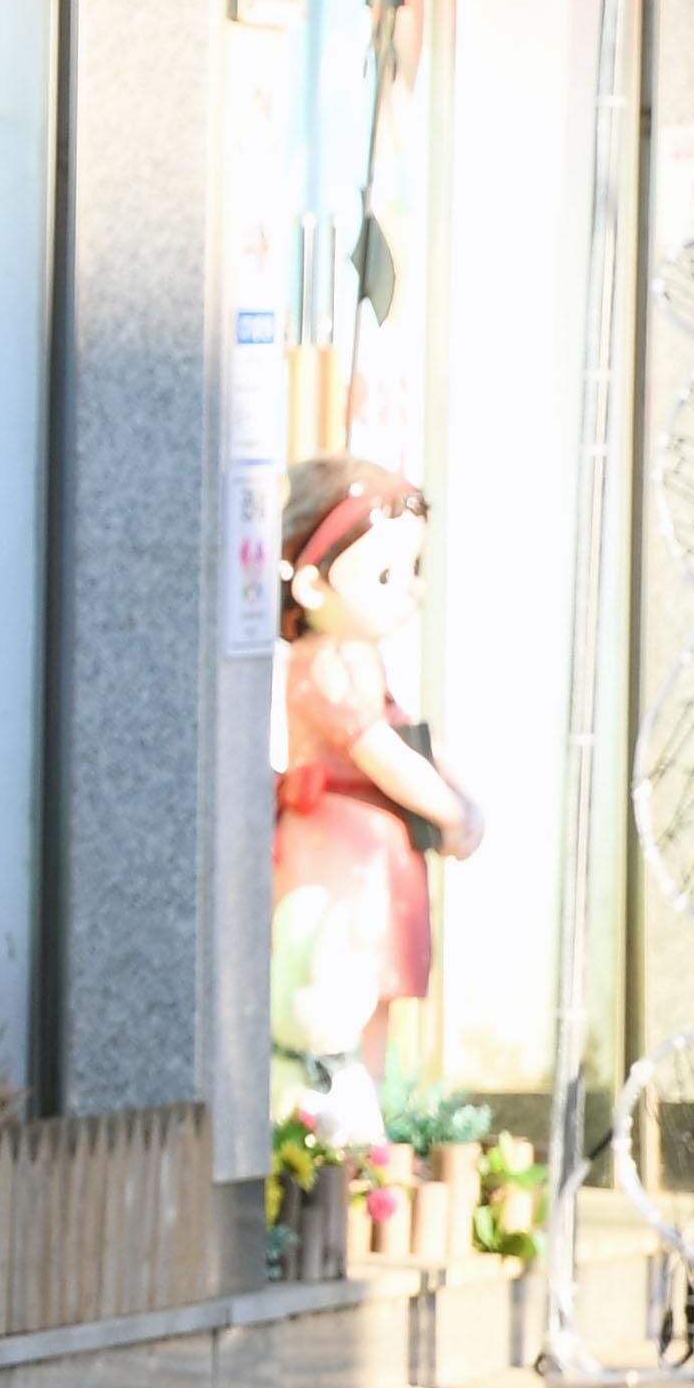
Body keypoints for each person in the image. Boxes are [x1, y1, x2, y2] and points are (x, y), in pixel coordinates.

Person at [271, 456, 479, 1143]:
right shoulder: (323, 664)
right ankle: (333, 1140)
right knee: (333, 989)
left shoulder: (362, 659)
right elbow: (378, 748)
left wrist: (456, 795)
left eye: (412, 571)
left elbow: (407, 737)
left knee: (375, 1000)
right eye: (388, 575)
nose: (409, 592)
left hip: (377, 855)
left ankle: (367, 1140)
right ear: (309, 580)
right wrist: (451, 810)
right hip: (337, 855)